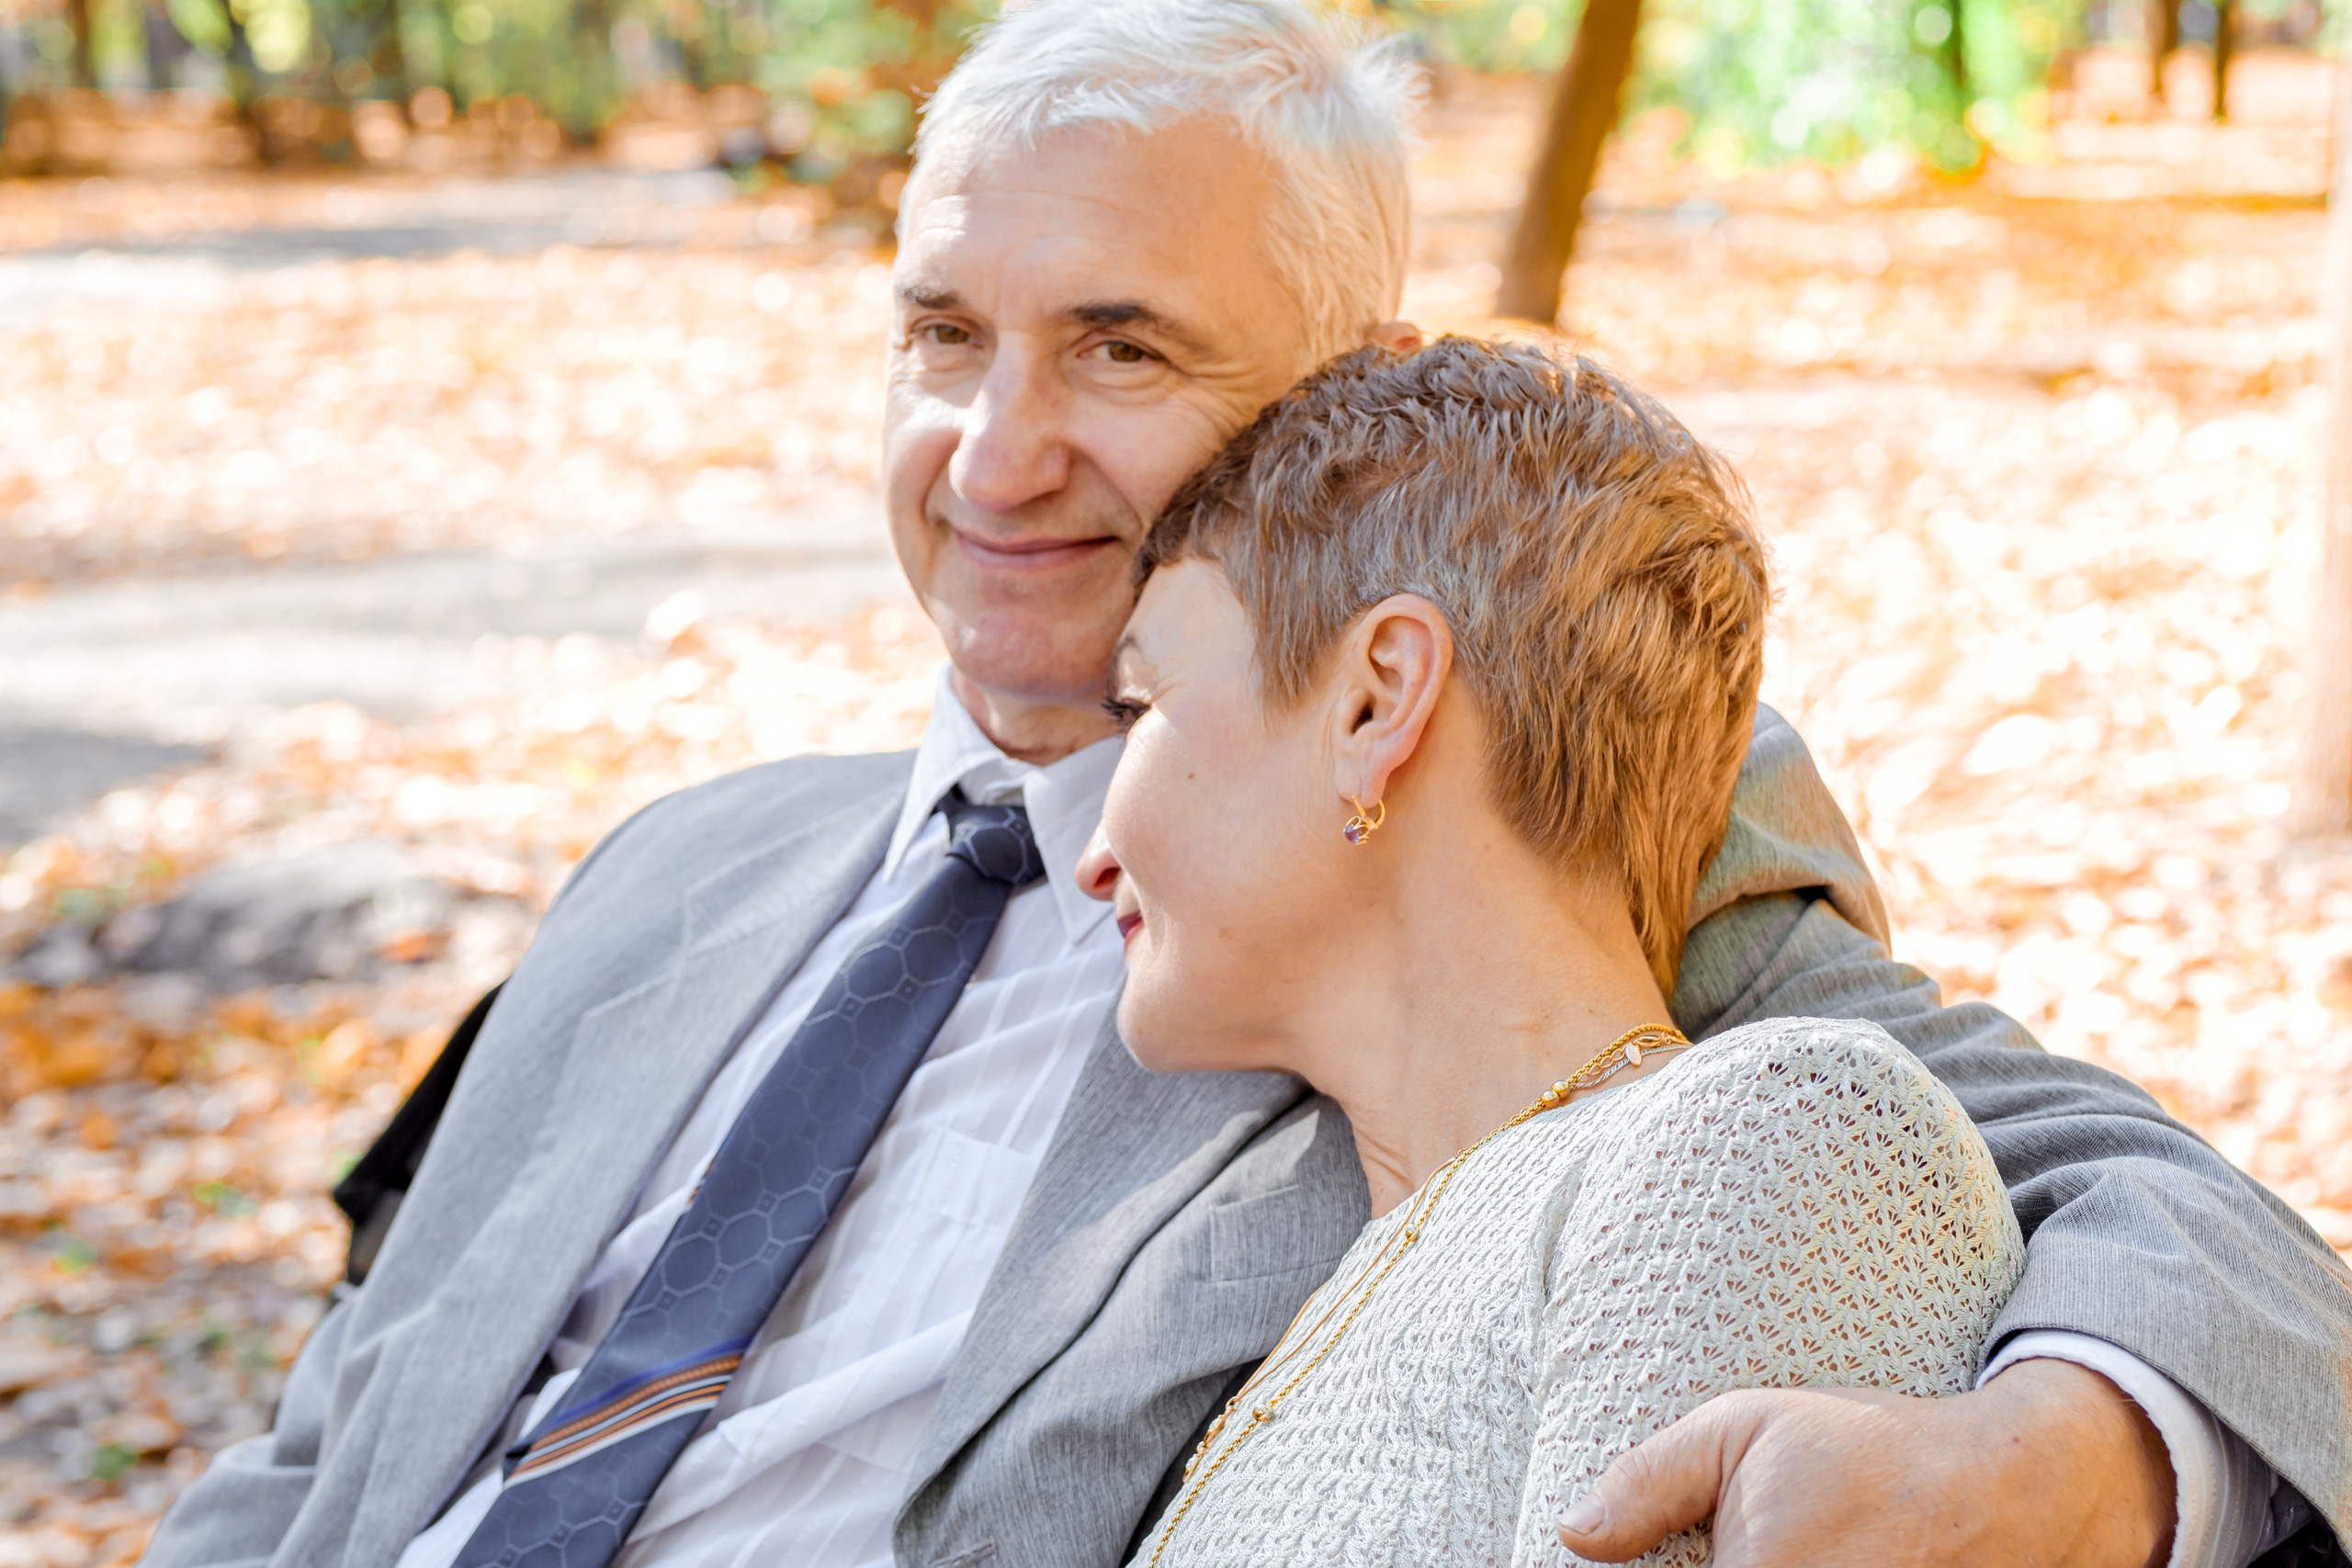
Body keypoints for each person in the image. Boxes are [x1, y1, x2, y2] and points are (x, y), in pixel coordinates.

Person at [139, 3, 2349, 1567]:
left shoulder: (1473, 826)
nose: (991, 456)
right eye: (941, 334)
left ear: (1332, 399)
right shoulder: (680, 866)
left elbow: (2169, 1220)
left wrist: (2057, 1461)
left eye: (1118, 346)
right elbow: (332, 1445)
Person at [1079, 331, 2029, 1566]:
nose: (1091, 855)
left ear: (1377, 699)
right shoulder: (1339, 1295)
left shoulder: (1758, 1145)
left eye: (1141, 705)